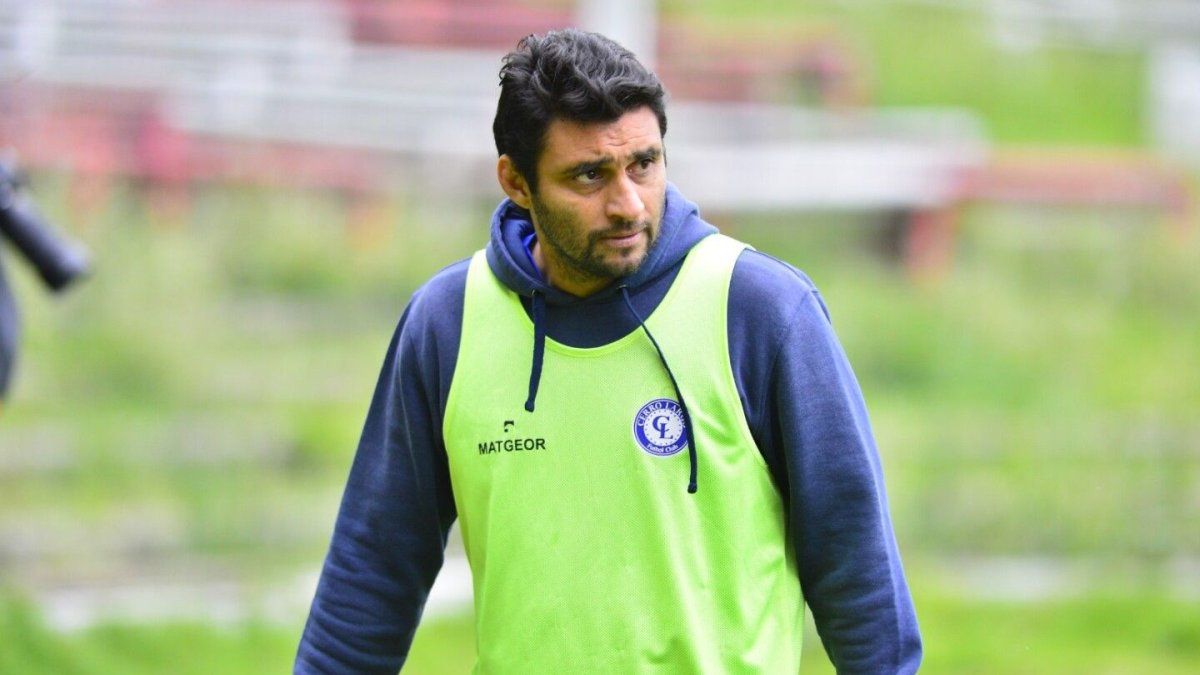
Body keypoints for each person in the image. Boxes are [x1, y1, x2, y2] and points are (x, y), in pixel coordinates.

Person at [296, 29, 921, 674]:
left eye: (644, 164)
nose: (627, 205)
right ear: (516, 182)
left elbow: (856, 567)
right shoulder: (448, 324)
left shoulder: (761, 311)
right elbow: (372, 573)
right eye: (589, 175)